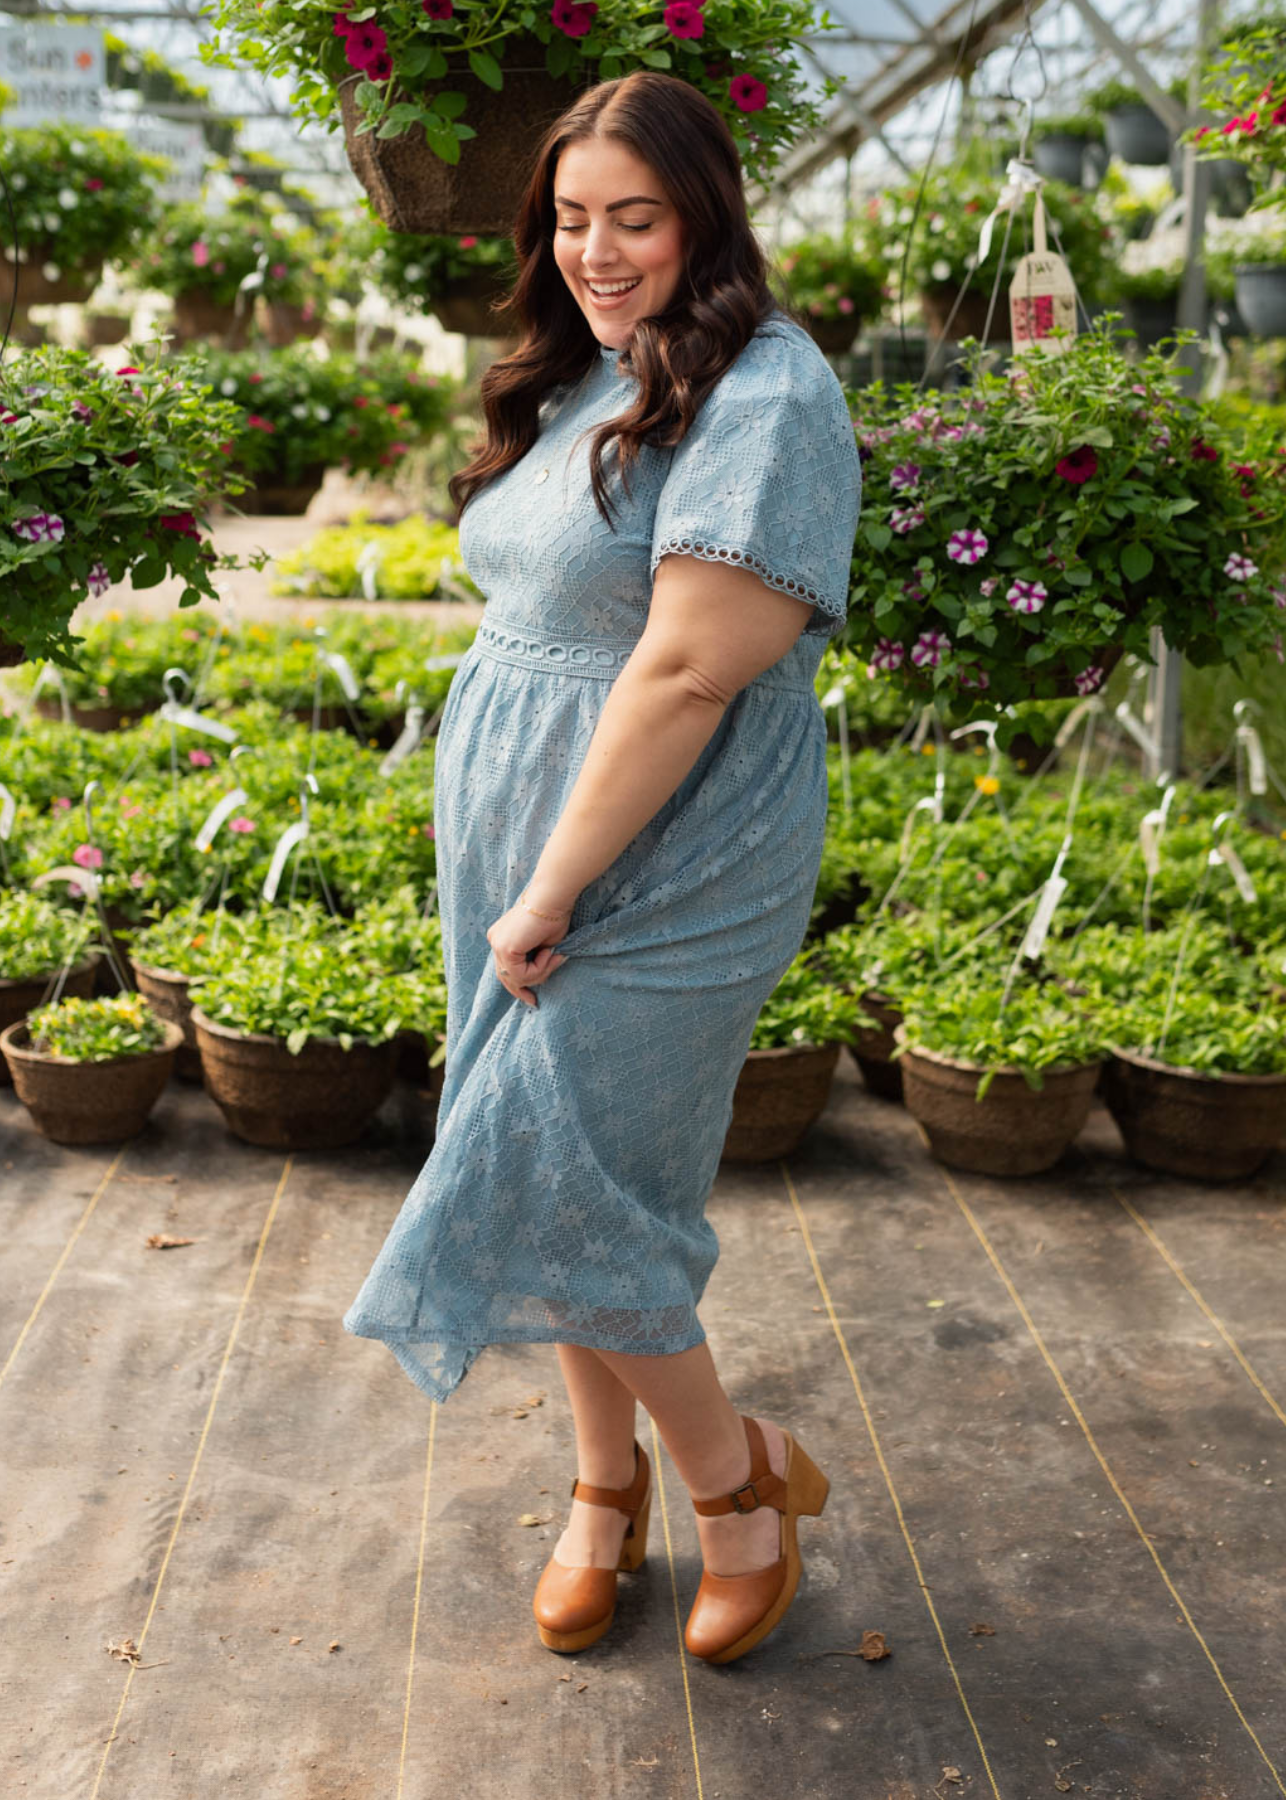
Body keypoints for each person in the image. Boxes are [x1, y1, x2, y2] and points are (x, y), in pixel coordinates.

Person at [342, 68, 862, 1666]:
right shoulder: (587, 370)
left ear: (708, 214)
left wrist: (552, 888)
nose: (595, 248)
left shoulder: (765, 394)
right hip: (524, 825)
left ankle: (734, 1482)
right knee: (557, 1171)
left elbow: (690, 671)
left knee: (568, 1180)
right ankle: (597, 1486)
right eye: (570, 219)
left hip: (672, 845)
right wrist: (518, 861)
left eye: (634, 217)